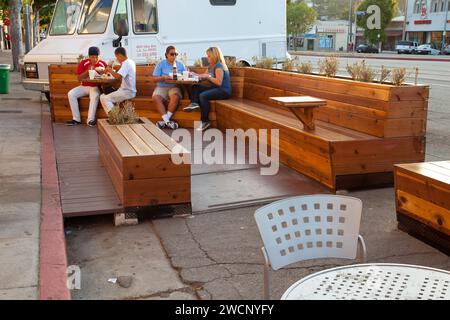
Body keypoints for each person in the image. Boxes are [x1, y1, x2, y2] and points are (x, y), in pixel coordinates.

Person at [184, 47, 231, 131]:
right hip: (215, 88)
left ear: (214, 56)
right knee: (195, 86)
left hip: (223, 91)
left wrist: (208, 77)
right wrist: (193, 74)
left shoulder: (219, 66)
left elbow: (219, 82)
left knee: (203, 96)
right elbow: (203, 76)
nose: (207, 58)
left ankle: (205, 121)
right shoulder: (211, 66)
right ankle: (194, 104)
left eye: (209, 56)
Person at [66, 46, 107, 127]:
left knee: (94, 96)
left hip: (95, 87)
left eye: (97, 57)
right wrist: (88, 72)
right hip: (84, 86)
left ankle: (90, 120)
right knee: (71, 94)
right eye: (92, 57)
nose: (95, 59)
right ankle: (76, 119)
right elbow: (79, 78)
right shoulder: (84, 63)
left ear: (99, 56)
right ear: (89, 57)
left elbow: (107, 77)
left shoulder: (102, 64)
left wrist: (102, 73)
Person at [152, 46, 187, 129]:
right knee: (156, 98)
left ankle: (164, 122)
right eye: (172, 54)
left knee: (175, 97)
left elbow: (185, 76)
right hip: (162, 86)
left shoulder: (180, 64)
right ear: (166, 55)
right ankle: (168, 122)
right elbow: (154, 79)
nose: (174, 56)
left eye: (176, 54)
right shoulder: (161, 64)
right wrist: (164, 78)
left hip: (174, 86)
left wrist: (183, 76)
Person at [100, 47, 136, 115]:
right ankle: (113, 116)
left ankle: (115, 118)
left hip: (128, 92)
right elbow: (123, 70)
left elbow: (118, 77)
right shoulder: (130, 61)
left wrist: (109, 70)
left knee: (105, 99)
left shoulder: (126, 63)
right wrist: (117, 67)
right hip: (125, 90)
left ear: (120, 55)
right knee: (102, 96)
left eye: (117, 57)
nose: (117, 59)